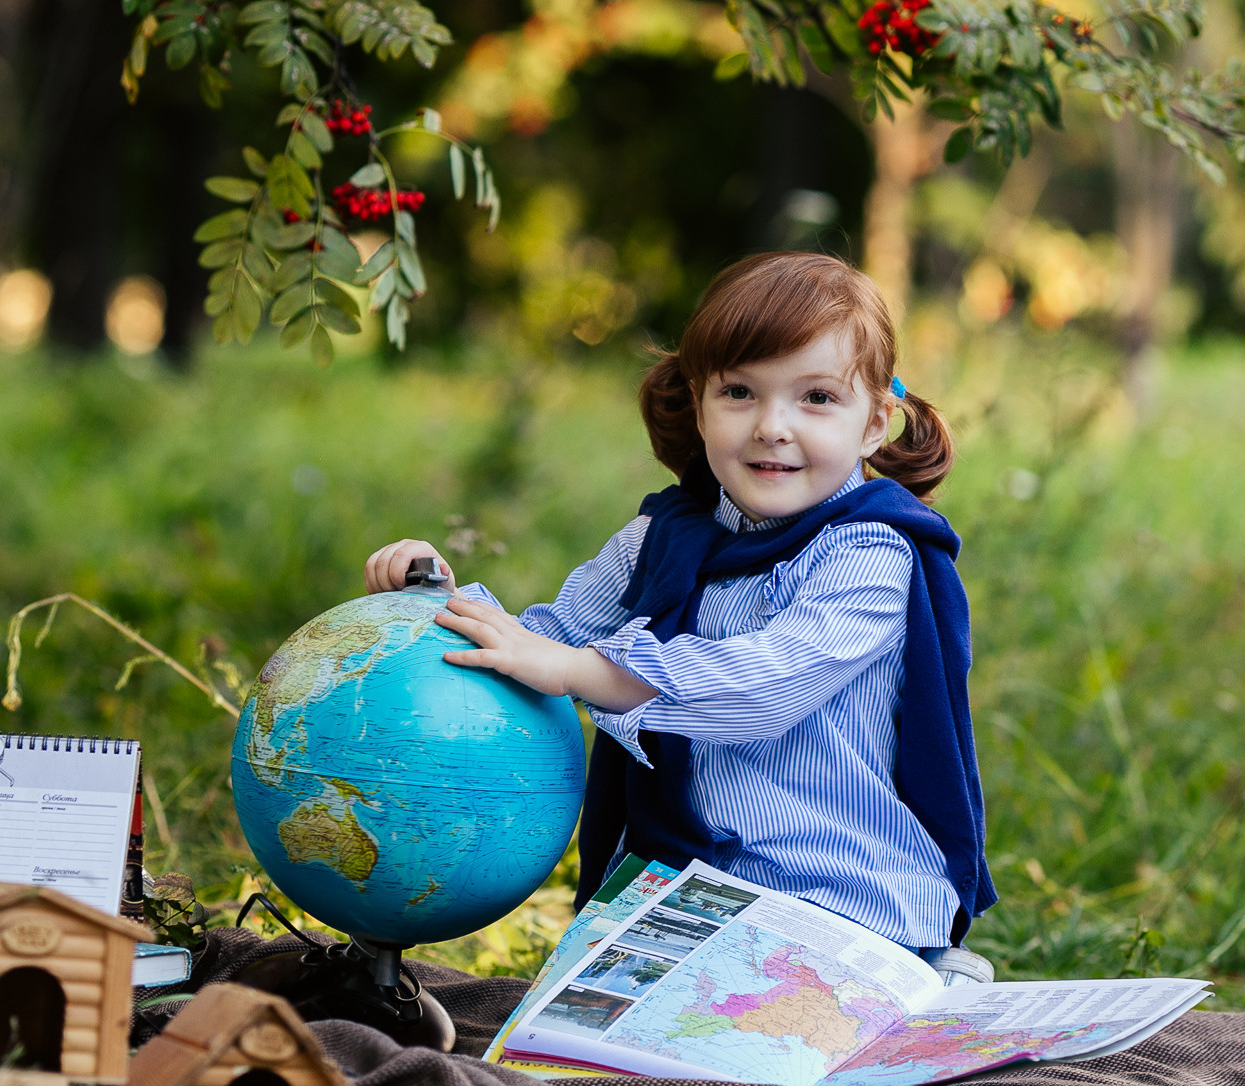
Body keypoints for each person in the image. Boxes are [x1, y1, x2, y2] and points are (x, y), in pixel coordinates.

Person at [364, 252, 997, 967]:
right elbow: (537, 645)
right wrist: (436, 600)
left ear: (875, 422)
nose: (772, 426)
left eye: (816, 397)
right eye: (739, 392)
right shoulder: (657, 539)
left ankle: (925, 980)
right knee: (583, 1048)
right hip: (679, 886)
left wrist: (579, 669)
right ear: (698, 406)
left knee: (765, 1055)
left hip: (838, 892)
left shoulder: (870, 553)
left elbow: (763, 684)